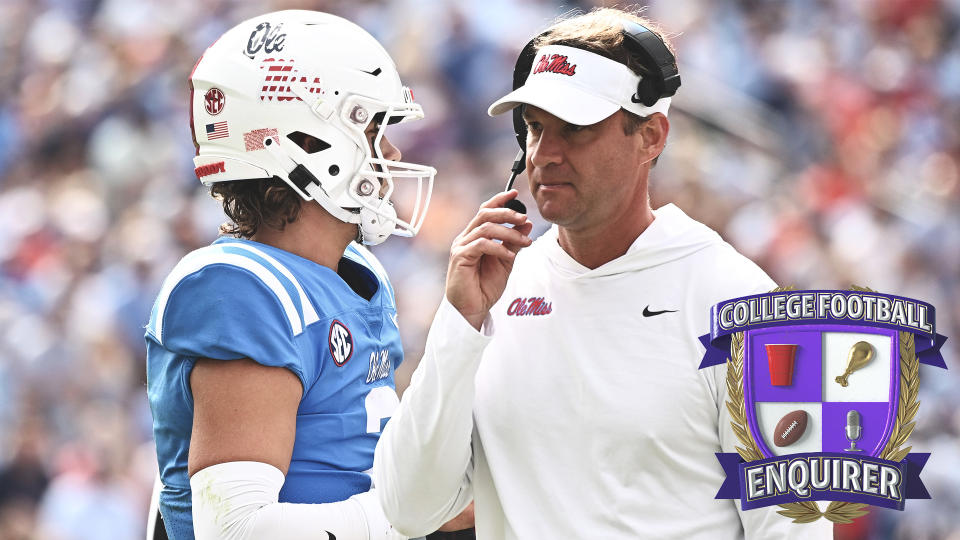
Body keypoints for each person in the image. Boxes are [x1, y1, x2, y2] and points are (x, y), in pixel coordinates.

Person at [373, 7, 833, 539]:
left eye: (575, 128)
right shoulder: (492, 293)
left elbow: (795, 526)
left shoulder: (744, 300)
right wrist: (459, 325)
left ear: (651, 137)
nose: (545, 153)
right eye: (536, 128)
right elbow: (408, 507)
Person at [144, 10, 472, 539]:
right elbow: (235, 530)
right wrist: (418, 514)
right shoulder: (241, 289)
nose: (391, 151)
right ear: (308, 143)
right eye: (371, 129)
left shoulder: (354, 269)